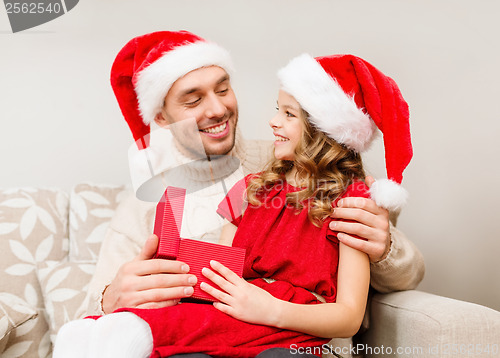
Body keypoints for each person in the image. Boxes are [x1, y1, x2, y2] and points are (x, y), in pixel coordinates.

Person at [55, 31, 423, 356]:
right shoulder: (145, 207)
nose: (218, 108)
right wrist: (111, 297)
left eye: (222, 88)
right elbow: (91, 315)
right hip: (206, 334)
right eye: (193, 99)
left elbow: (401, 277)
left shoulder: (312, 171)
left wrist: (385, 248)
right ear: (162, 117)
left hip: (306, 343)